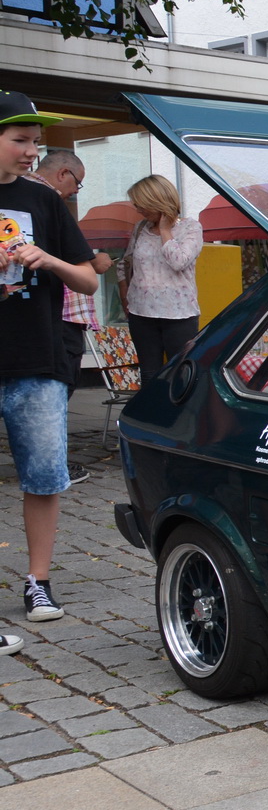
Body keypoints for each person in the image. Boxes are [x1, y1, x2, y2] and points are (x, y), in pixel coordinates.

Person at [0, 91, 100, 636]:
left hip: (37, 359)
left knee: (44, 477)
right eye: (20, 140)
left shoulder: (44, 202)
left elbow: (88, 278)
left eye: (35, 142)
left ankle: (38, 579)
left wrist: (49, 259)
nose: (31, 152)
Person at [30, 148, 112, 485]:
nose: (77, 191)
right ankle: (53, 462)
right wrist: (95, 262)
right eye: (78, 183)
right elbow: (62, 260)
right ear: (63, 174)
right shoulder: (44, 200)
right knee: (58, 390)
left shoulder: (29, 198)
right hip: (61, 314)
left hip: (50, 314)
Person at [121, 175, 202, 383]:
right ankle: (151, 414)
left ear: (156, 201)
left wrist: (165, 230)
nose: (138, 209)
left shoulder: (190, 227)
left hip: (179, 314)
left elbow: (178, 261)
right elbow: (125, 263)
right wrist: (125, 297)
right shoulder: (140, 229)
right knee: (149, 374)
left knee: (180, 374)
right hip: (141, 312)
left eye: (142, 205)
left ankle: (179, 416)